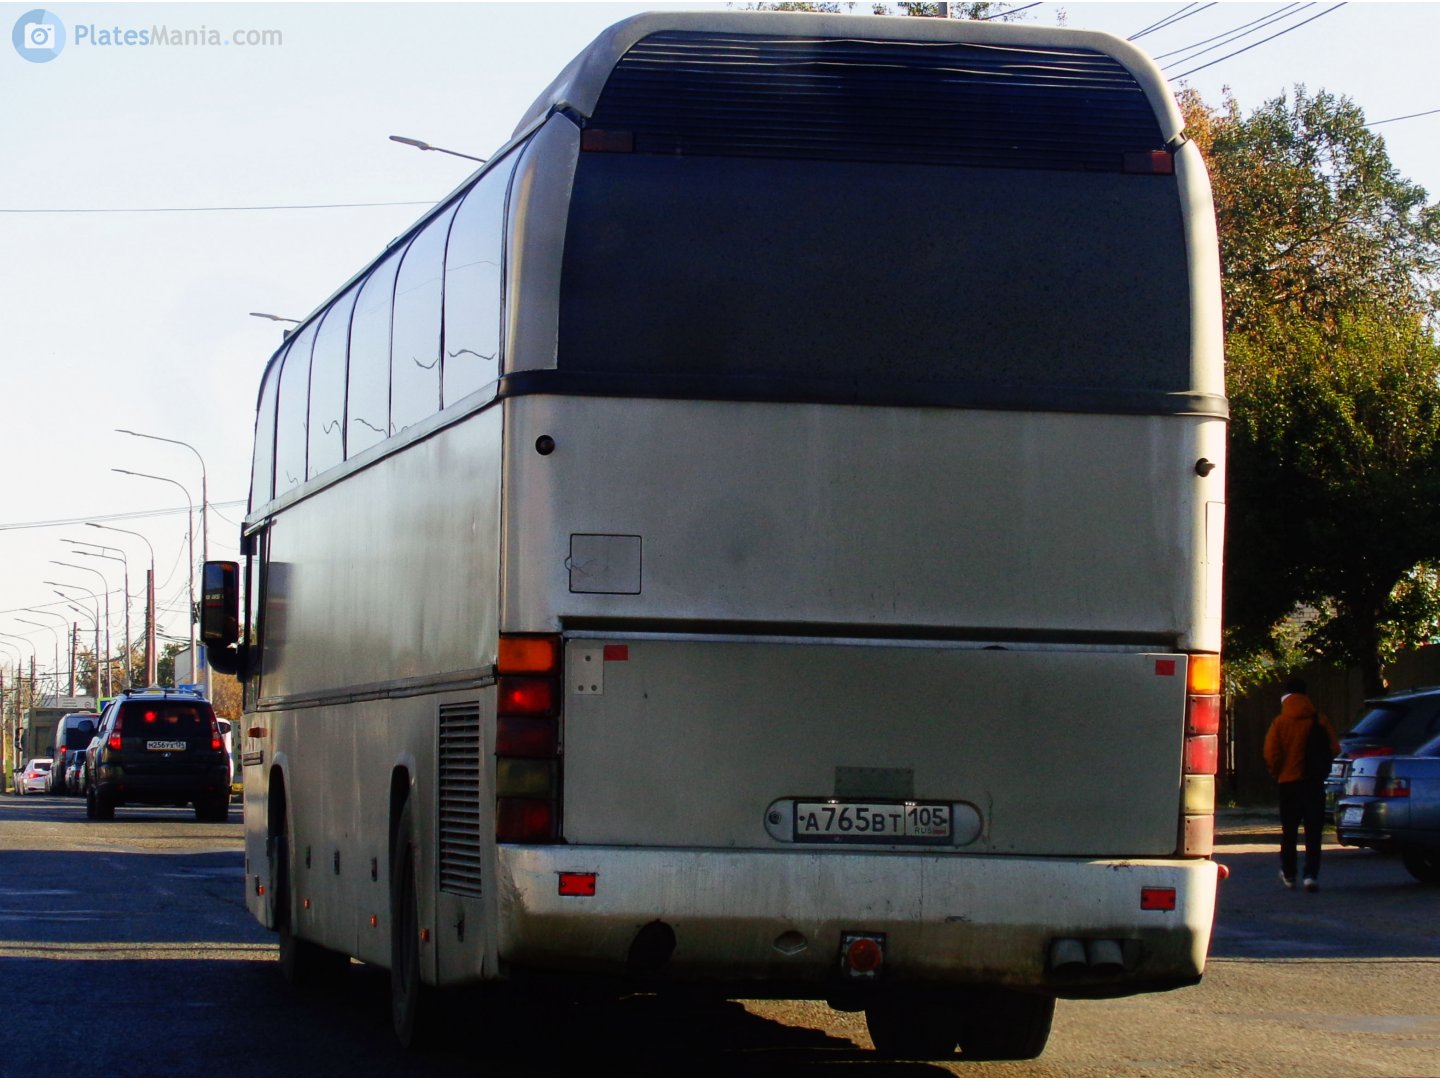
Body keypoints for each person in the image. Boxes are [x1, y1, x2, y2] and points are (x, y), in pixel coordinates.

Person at [1263, 676, 1340, 892]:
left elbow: (1271, 753)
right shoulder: (1319, 720)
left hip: (1288, 783)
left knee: (1289, 831)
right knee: (1313, 831)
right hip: (1314, 783)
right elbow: (1335, 748)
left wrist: (1277, 773)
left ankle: (1289, 874)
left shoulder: (1280, 722)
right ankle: (1310, 875)